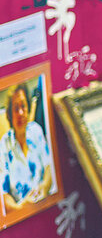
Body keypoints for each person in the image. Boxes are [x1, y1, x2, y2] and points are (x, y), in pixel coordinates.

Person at [0, 83, 52, 213]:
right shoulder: (4, 145)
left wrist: (44, 187)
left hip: (46, 205)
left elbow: (49, 167)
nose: (21, 113)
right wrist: (22, 208)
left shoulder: (36, 130)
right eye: (16, 108)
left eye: (23, 106)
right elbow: (3, 195)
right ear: (10, 115)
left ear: (28, 108)